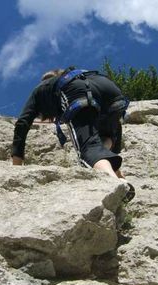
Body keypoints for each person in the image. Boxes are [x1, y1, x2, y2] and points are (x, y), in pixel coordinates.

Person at [11, 67, 135, 202]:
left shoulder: (42, 88)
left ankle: (114, 184)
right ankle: (119, 179)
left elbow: (22, 123)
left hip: (79, 93)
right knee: (104, 139)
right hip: (110, 89)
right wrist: (119, 173)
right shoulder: (80, 75)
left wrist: (17, 168)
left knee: (88, 149)